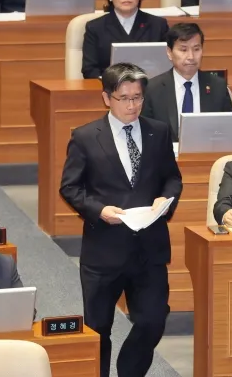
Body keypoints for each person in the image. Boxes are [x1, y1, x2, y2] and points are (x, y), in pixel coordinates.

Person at [59, 63, 182, 377]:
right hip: (105, 251)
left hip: (149, 249)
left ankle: (129, 372)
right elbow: (70, 187)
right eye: (124, 97)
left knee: (153, 320)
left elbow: (172, 178)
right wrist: (99, 210)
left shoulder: (158, 131)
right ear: (106, 98)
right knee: (98, 328)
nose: (132, 105)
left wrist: (164, 201)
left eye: (138, 98)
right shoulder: (85, 137)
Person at [142, 23, 232, 142]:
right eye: (183, 49)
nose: (191, 56)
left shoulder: (218, 86)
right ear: (169, 52)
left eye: (196, 49)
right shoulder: (153, 88)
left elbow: (229, 130)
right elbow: (146, 133)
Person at [81, 0, 169, 79]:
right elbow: (89, 70)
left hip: (150, 90)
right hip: (110, 92)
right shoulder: (94, 28)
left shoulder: (158, 25)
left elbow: (167, 64)